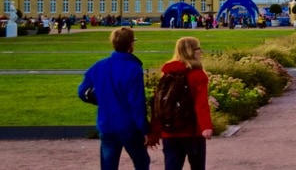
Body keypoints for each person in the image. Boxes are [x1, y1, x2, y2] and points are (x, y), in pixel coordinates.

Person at [78, 27, 153, 170]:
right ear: (131, 44)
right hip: (129, 126)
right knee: (142, 162)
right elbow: (136, 103)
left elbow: (83, 92)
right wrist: (144, 129)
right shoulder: (133, 68)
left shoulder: (100, 65)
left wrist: (101, 99)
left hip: (107, 123)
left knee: (108, 165)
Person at [151, 37, 214, 170]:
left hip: (170, 130)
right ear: (192, 51)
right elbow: (200, 103)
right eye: (198, 49)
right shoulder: (197, 74)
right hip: (192, 130)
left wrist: (156, 130)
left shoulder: (167, 72)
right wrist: (206, 126)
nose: (200, 52)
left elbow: (159, 101)